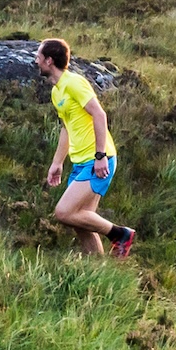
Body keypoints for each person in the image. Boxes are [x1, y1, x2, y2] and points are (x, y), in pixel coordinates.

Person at [35, 37, 136, 258]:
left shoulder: (74, 83)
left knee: (63, 212)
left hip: (98, 159)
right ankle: (98, 272)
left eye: (39, 56)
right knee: (82, 222)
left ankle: (120, 234)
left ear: (49, 60)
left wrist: (100, 156)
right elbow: (67, 128)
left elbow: (99, 114)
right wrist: (57, 163)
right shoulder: (57, 92)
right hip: (80, 162)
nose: (36, 60)